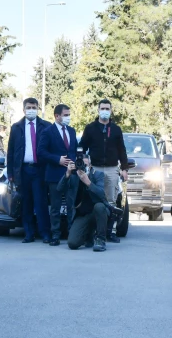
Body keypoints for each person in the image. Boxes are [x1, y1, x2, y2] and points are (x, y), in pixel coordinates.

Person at [78, 98, 128, 242]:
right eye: (103, 108)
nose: (105, 111)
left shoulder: (116, 129)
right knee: (97, 200)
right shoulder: (90, 128)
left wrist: (124, 168)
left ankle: (109, 231)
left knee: (111, 200)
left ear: (111, 111)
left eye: (107, 109)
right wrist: (84, 157)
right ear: (98, 110)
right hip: (96, 169)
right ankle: (96, 230)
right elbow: (81, 146)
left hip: (112, 169)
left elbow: (122, 150)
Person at [7, 98, 52, 243]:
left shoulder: (46, 126)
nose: (31, 109)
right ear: (23, 109)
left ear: (38, 108)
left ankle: (45, 233)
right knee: (26, 203)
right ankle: (29, 233)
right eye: (29, 107)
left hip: (40, 170)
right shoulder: (16, 127)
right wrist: (10, 173)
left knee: (41, 203)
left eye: (34, 107)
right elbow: (11, 152)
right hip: (23, 170)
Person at [39, 104, 78, 246]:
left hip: (71, 174)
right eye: (65, 115)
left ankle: (72, 234)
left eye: (69, 114)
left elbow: (74, 150)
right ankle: (55, 235)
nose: (68, 117)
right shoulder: (48, 132)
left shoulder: (72, 131)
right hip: (55, 175)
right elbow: (41, 152)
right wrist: (57, 159)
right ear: (57, 116)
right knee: (55, 207)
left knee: (71, 205)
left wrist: (75, 163)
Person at [62, 149, 110, 252]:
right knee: (72, 243)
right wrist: (67, 174)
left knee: (99, 206)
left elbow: (102, 194)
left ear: (90, 165)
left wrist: (88, 183)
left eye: (85, 165)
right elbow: (59, 189)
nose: (82, 167)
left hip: (96, 212)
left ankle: (100, 239)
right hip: (83, 214)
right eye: (80, 164)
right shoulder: (74, 176)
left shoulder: (98, 174)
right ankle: (88, 234)